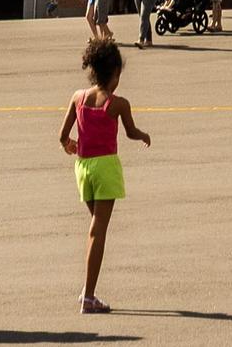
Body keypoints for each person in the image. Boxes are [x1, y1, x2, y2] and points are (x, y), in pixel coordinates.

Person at [64, 37, 152, 319]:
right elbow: (130, 132)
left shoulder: (78, 97)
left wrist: (69, 145)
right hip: (105, 169)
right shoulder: (118, 103)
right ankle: (88, 296)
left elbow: (63, 136)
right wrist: (143, 136)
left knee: (95, 225)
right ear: (114, 73)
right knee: (97, 231)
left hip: (83, 169)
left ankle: (89, 294)